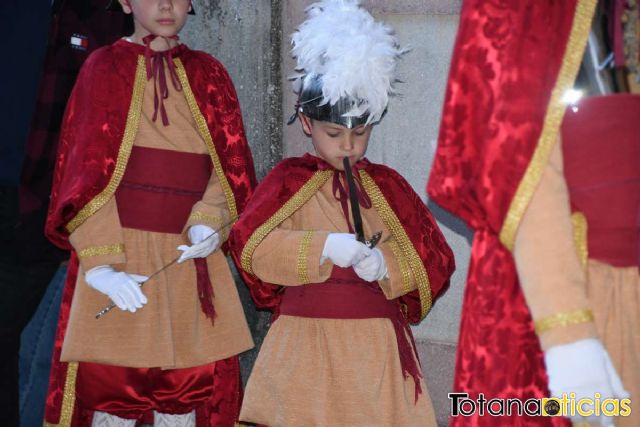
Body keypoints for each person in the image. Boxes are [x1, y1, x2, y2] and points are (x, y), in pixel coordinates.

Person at [228, 1, 455, 426]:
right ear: (307, 123)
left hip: (374, 349)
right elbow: (253, 247)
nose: (348, 145)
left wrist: (384, 264)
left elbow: (434, 260)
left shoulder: (387, 187)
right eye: (334, 133)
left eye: (360, 132)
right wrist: (324, 246)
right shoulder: (286, 180)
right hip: (304, 344)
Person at [44, 0, 257, 425]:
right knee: (110, 389)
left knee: (188, 393)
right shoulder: (102, 69)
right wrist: (102, 264)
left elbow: (231, 166)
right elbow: (84, 172)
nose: (165, 5)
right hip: (122, 256)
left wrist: (209, 221)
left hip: (185, 264)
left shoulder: (210, 74)